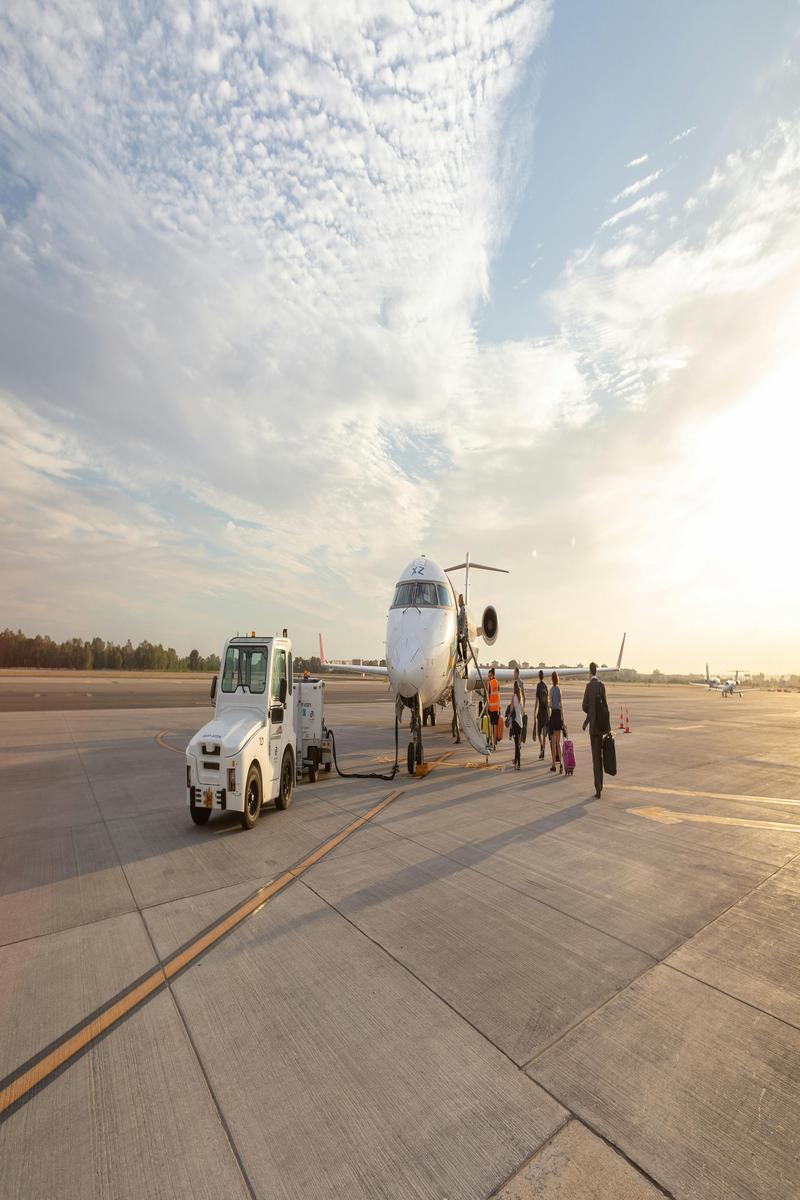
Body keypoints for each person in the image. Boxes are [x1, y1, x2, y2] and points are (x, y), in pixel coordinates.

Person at [582, 661, 610, 798]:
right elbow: (605, 707)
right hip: (602, 727)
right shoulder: (601, 686)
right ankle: (601, 786)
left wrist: (590, 715)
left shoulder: (588, 687)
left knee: (595, 758)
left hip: (593, 728)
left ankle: (597, 788)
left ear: (590, 672)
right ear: (596, 672)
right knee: (601, 756)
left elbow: (584, 706)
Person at [548, 670, 563, 773]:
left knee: (553, 742)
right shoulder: (559, 689)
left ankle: (553, 764)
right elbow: (561, 705)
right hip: (559, 715)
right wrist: (563, 719)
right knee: (558, 742)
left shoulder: (552, 690)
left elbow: (551, 704)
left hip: (553, 714)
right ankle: (561, 764)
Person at [533, 669, 549, 760]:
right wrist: (549, 714)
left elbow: (537, 700)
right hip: (545, 713)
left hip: (540, 712)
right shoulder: (546, 686)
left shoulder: (538, 686)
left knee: (539, 733)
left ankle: (541, 746)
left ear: (539, 676)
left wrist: (535, 712)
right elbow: (547, 701)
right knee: (544, 733)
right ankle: (544, 750)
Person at [509, 680, 524, 769]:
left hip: (515, 722)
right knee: (518, 743)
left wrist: (509, 714)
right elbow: (522, 710)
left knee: (516, 744)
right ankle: (516, 761)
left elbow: (511, 709)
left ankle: (518, 763)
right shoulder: (520, 697)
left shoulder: (513, 697)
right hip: (520, 722)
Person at [486, 667, 501, 748]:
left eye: (489, 675)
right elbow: (498, 695)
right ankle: (495, 743)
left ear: (491, 675)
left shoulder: (489, 683)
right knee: (495, 725)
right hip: (497, 707)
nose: (488, 677)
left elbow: (488, 696)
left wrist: (487, 706)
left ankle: (491, 742)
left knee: (491, 726)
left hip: (491, 708)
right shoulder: (497, 682)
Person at [457, 594, 468, 664]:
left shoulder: (462, 609)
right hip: (463, 633)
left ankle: (460, 657)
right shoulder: (462, 609)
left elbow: (463, 621)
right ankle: (466, 672)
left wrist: (461, 631)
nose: (458, 602)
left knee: (456, 643)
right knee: (465, 655)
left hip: (463, 634)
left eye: (459, 601)